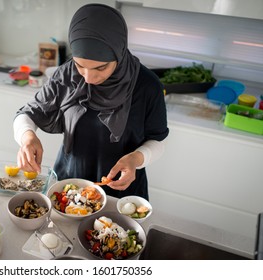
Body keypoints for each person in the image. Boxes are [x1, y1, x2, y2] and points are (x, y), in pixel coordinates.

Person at [13, 3, 169, 199]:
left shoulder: (147, 86)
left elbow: (157, 140)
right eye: (80, 65)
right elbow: (26, 115)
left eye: (100, 68)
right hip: (69, 189)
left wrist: (136, 159)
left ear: (118, 53)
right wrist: (27, 138)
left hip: (121, 193)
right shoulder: (66, 74)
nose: (88, 78)